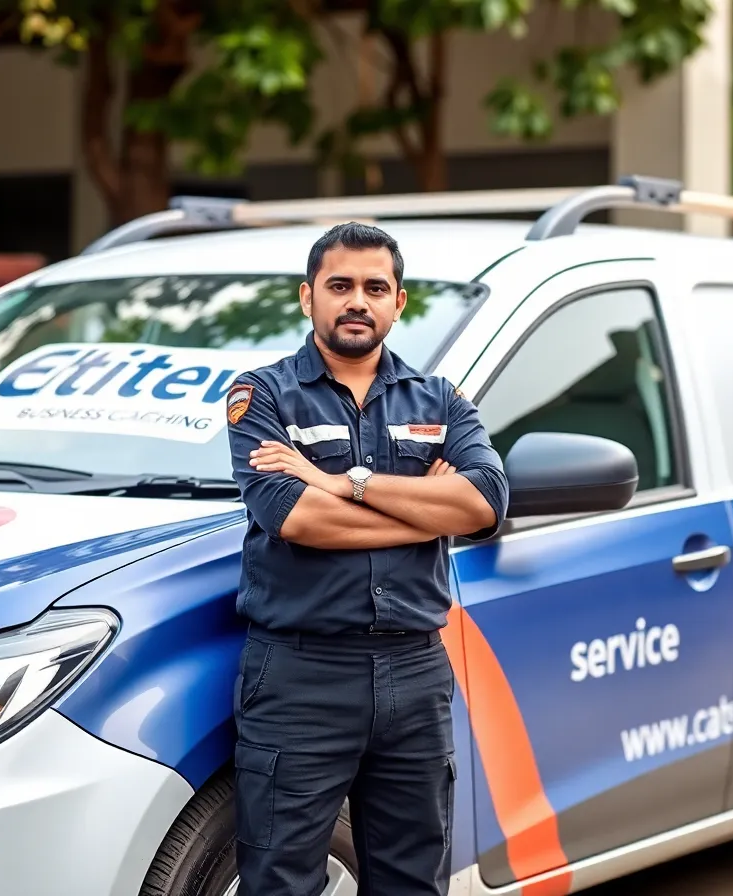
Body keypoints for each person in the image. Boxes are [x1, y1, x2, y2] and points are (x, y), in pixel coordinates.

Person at [225, 221, 509, 896]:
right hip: (301, 674)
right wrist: (420, 513)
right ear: (307, 297)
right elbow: (294, 517)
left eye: (375, 287)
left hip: (416, 671)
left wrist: (343, 482)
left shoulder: (440, 400)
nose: (358, 300)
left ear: (398, 303)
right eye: (340, 285)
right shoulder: (261, 397)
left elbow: (484, 505)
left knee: (414, 880)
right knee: (281, 880)